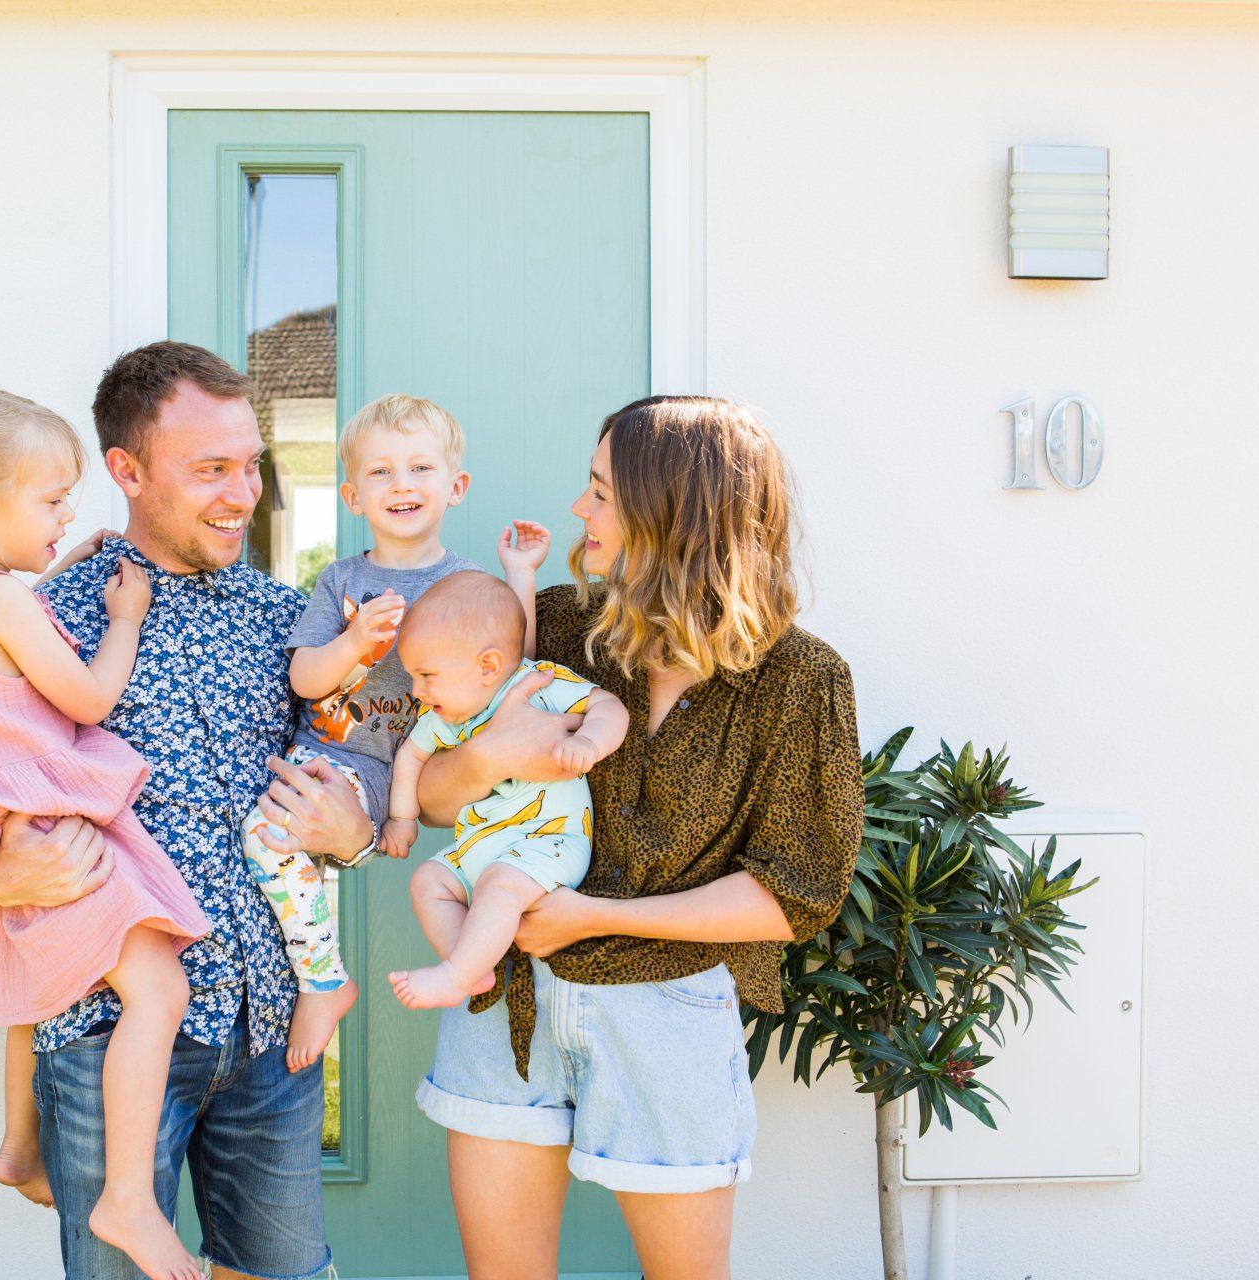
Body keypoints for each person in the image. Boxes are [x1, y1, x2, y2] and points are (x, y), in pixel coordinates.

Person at [0, 345, 373, 1280]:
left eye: (251, 465)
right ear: (126, 470)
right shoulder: (46, 613)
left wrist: (352, 828)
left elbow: (349, 760)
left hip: (270, 1028)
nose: (244, 493)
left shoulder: (291, 619)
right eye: (212, 470)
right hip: (105, 1032)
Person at [411, 396, 864, 1280]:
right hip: (507, 997)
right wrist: (490, 754)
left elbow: (794, 895)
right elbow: (433, 801)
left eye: (601, 493)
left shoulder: (801, 680)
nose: (579, 509)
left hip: (667, 1016)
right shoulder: (555, 628)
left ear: (672, 517)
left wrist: (593, 917)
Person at [0, 386, 209, 1280]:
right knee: (159, 991)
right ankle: (127, 1198)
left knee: (32, 988)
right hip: (50, 829)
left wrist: (56, 562)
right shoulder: (2, 600)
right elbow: (89, 698)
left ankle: (16, 1148)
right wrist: (126, 619)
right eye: (52, 501)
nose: (68, 514)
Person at [239, 393, 493, 1072]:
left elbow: (500, 669)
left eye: (420, 467)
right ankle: (317, 974)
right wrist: (354, 642)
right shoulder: (341, 579)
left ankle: (323, 982)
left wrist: (519, 578)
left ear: (456, 486)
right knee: (272, 845)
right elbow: (304, 679)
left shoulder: (465, 583)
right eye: (380, 472)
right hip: (322, 748)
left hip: (388, 767)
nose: (401, 484)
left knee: (268, 839)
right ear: (352, 496)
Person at [381, 571, 628, 1010]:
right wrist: (401, 819)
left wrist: (589, 743)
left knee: (498, 886)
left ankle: (454, 976)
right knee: (427, 881)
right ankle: (471, 965)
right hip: (482, 846)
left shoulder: (538, 685)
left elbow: (607, 706)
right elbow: (410, 756)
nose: (417, 691)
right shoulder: (444, 716)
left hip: (546, 842)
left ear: (488, 666)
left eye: (426, 675)